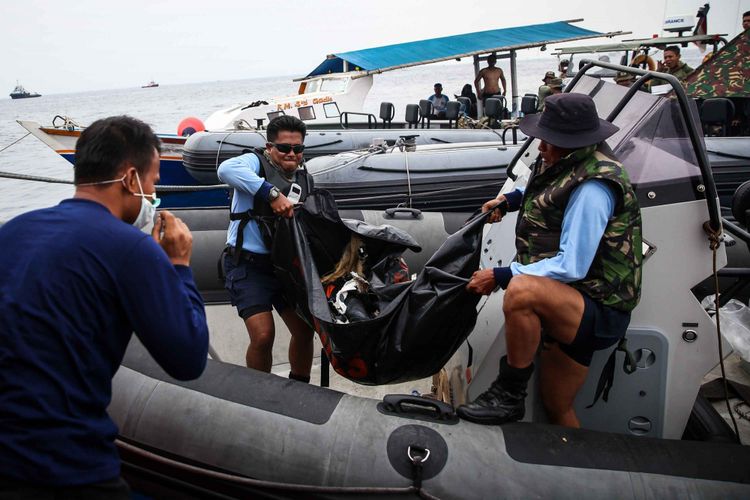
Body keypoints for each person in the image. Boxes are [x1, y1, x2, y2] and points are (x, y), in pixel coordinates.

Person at [0, 116, 209, 497]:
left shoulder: (12, 231)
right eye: (152, 181)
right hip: (68, 468)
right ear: (130, 180)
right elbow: (188, 359)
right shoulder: (131, 248)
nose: (153, 192)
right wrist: (178, 265)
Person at [456, 93, 642, 428]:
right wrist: (508, 201)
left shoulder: (594, 188)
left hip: (597, 306)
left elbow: (573, 265)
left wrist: (500, 275)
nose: (540, 147)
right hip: (574, 297)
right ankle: (572, 470)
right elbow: (547, 190)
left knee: (521, 291)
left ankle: (509, 395)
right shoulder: (565, 161)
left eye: (547, 141)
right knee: (555, 404)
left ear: (572, 143)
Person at [218, 115, 314, 382]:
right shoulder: (253, 163)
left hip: (284, 267)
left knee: (305, 331)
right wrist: (271, 194)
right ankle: (258, 394)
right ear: (270, 147)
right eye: (284, 148)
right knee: (263, 335)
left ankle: (300, 389)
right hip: (248, 265)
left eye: (298, 148)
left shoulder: (304, 179)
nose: (291, 154)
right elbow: (225, 170)